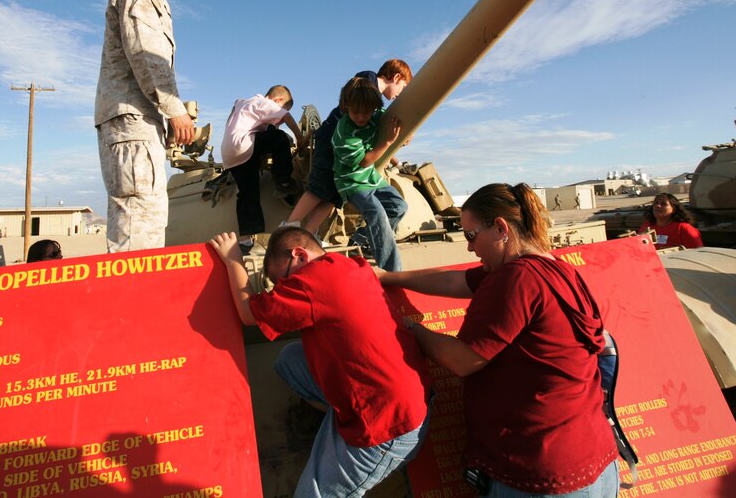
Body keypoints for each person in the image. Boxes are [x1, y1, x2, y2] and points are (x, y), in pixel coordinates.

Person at [379, 183, 619, 497]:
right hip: (593, 458)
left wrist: (411, 329)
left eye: (471, 235)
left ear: (500, 228)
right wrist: (387, 278)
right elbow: (457, 280)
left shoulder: (515, 278)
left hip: (541, 467)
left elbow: (463, 360)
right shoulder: (555, 269)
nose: (469, 248)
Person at [209, 226, 431, 497]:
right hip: (407, 398)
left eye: (284, 280)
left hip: (387, 425)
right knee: (290, 359)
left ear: (300, 255)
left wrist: (233, 259)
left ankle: (346, 441)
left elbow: (247, 313)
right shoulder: (350, 264)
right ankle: (340, 419)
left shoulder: (311, 283)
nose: (283, 290)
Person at [94, 0, 210, 253]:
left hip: (139, 124)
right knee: (137, 227)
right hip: (131, 124)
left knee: (146, 222)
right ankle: (131, 302)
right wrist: (175, 110)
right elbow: (148, 56)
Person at [287, 59, 412, 235]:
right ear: (397, 77)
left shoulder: (375, 107)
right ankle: (288, 227)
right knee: (319, 186)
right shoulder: (368, 80)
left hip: (347, 152)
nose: (401, 94)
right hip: (332, 141)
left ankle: (308, 234)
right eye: (403, 87)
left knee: (334, 195)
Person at [332, 77, 407, 271]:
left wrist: (406, 133)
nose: (361, 117)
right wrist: (389, 143)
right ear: (346, 106)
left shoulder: (373, 115)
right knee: (377, 212)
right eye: (356, 112)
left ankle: (362, 238)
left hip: (371, 178)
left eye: (367, 112)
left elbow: (395, 118)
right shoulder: (344, 131)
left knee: (399, 206)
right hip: (351, 181)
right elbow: (364, 161)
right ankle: (392, 270)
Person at [221, 85, 305, 253]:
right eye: (281, 106)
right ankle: (283, 182)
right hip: (246, 144)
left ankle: (246, 239)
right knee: (280, 137)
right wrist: (300, 138)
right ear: (278, 100)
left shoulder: (244, 103)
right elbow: (286, 116)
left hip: (229, 154)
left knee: (247, 192)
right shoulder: (264, 102)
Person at [637, 193, 703, 250]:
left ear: (673, 209)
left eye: (663, 204)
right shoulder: (646, 226)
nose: (657, 206)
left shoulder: (683, 228)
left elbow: (697, 252)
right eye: (656, 203)